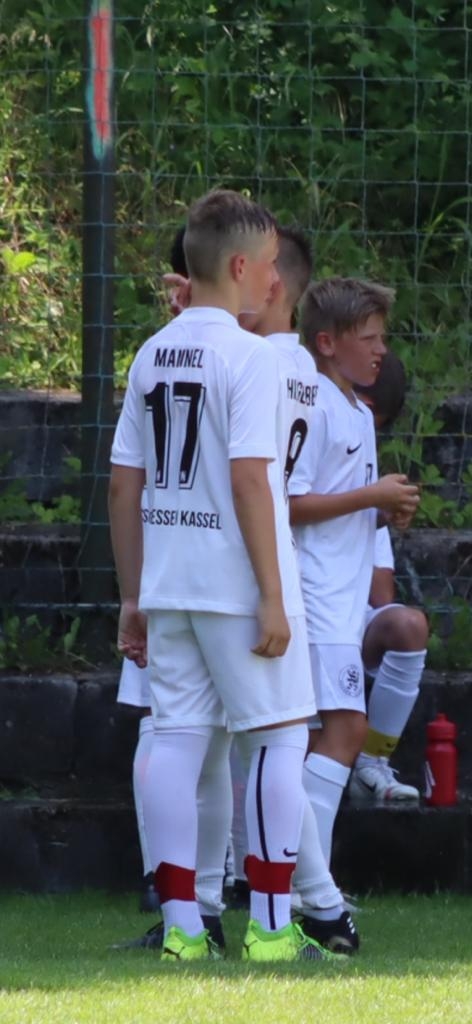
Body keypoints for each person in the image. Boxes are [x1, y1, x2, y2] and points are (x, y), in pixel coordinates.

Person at [109, 188, 330, 963]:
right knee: (277, 739)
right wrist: (273, 594)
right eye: (269, 265)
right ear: (239, 266)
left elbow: (123, 485)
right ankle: (271, 930)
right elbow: (248, 480)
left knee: (174, 740)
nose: (277, 280)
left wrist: (132, 596)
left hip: (170, 583)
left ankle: (183, 929)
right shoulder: (251, 356)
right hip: (238, 585)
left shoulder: (150, 353)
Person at [288, 277, 421, 869]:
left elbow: (348, 503)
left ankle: (298, 876)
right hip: (314, 596)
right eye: (368, 339)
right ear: (326, 343)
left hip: (343, 602)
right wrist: (371, 496)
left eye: (381, 338)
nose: (380, 351)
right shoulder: (313, 404)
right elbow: (288, 504)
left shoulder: (356, 413)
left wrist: (384, 510)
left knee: (328, 735)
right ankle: (304, 880)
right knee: (343, 730)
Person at [348, 353, 429, 802]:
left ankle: (371, 762)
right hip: (295, 613)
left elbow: (381, 595)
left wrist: (377, 515)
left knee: (409, 625)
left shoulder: (366, 477)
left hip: (343, 616)